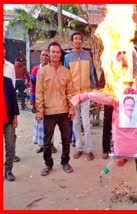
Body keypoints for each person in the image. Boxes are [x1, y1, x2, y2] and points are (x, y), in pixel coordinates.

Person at [36, 42, 75, 176]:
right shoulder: (42, 72)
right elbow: (39, 93)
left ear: (60, 54)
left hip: (63, 111)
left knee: (66, 139)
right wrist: (39, 111)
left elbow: (70, 93)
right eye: (53, 52)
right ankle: (48, 164)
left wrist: (71, 109)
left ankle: (65, 162)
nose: (55, 54)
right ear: (49, 53)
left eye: (58, 52)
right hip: (49, 112)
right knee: (47, 142)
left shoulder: (66, 72)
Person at [64, 31, 96, 161]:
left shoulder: (87, 55)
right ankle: (79, 149)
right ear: (72, 41)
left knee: (87, 123)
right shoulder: (68, 57)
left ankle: (89, 150)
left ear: (82, 41)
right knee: (76, 123)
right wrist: (67, 95)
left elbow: (92, 73)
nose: (77, 40)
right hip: (73, 95)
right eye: (75, 38)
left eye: (79, 38)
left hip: (86, 93)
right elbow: (65, 76)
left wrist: (94, 92)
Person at [30, 49, 57, 154]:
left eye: (47, 55)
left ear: (49, 56)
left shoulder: (52, 69)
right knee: (40, 123)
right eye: (43, 55)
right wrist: (33, 103)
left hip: (50, 101)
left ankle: (51, 144)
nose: (45, 57)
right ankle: (42, 145)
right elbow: (33, 86)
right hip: (39, 101)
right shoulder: (35, 70)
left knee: (51, 123)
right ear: (40, 56)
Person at [4, 45, 20, 163]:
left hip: (7, 112)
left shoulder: (10, 67)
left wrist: (15, 116)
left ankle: (8, 169)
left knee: (10, 142)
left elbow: (12, 92)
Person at [3, 76, 20, 181]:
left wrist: (15, 117)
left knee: (10, 145)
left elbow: (14, 100)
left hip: (8, 120)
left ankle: (8, 170)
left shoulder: (7, 81)